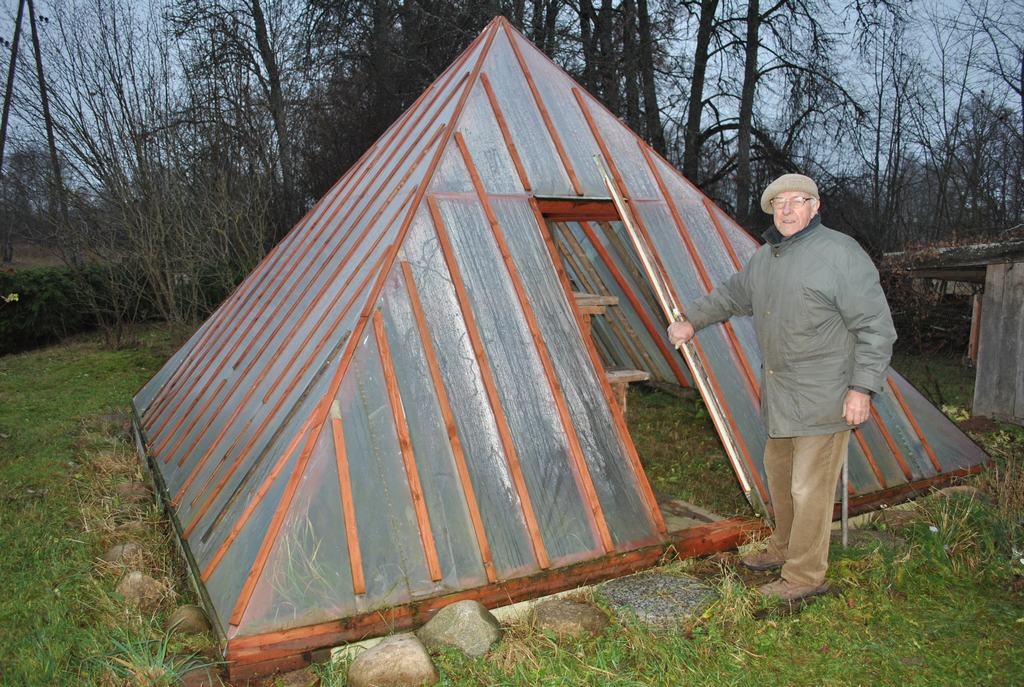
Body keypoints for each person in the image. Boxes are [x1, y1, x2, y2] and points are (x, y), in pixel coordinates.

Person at [667, 173, 896, 602]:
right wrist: (691, 320)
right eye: (779, 203)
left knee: (809, 488)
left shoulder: (840, 254)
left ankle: (805, 576)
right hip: (781, 396)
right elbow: (733, 295)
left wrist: (862, 389)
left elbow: (876, 329)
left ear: (815, 206)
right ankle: (785, 547)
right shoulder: (767, 257)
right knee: (782, 477)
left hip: (827, 396)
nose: (787, 209)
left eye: (797, 200)